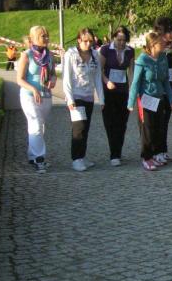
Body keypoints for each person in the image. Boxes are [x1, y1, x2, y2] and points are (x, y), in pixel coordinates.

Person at [128, 31, 172, 171]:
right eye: (161, 42)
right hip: (146, 99)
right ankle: (146, 157)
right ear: (153, 45)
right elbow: (135, 82)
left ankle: (154, 155)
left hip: (159, 98)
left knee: (158, 128)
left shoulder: (163, 58)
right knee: (147, 129)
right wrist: (131, 102)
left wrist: (171, 98)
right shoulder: (142, 60)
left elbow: (166, 80)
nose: (164, 44)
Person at [63, 28, 105, 171]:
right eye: (85, 41)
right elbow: (66, 78)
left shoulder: (95, 55)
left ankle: (82, 155)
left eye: (90, 41)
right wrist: (70, 99)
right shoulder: (71, 55)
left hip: (88, 97)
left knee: (86, 128)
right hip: (76, 96)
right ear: (79, 40)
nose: (88, 44)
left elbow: (97, 77)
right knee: (78, 128)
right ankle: (76, 158)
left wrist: (101, 99)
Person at [17, 25, 56, 173]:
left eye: (47, 35)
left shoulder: (50, 55)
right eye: (42, 36)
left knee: (39, 126)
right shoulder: (26, 55)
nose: (46, 38)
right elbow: (19, 79)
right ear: (33, 38)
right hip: (29, 96)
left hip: (45, 95)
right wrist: (33, 89)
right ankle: (40, 159)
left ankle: (32, 156)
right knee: (36, 125)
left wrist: (53, 80)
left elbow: (53, 73)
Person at [100, 27, 134, 166]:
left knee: (122, 123)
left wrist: (132, 89)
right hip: (108, 90)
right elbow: (99, 70)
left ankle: (117, 151)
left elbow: (131, 71)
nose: (121, 43)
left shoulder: (130, 51)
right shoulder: (106, 50)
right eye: (119, 39)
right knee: (110, 122)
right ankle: (114, 153)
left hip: (123, 90)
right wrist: (106, 81)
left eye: (124, 40)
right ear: (114, 38)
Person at [155, 18, 172, 162]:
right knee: (158, 121)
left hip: (170, 88)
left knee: (165, 121)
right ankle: (156, 151)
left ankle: (163, 150)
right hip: (158, 89)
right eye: (169, 32)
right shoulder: (156, 47)